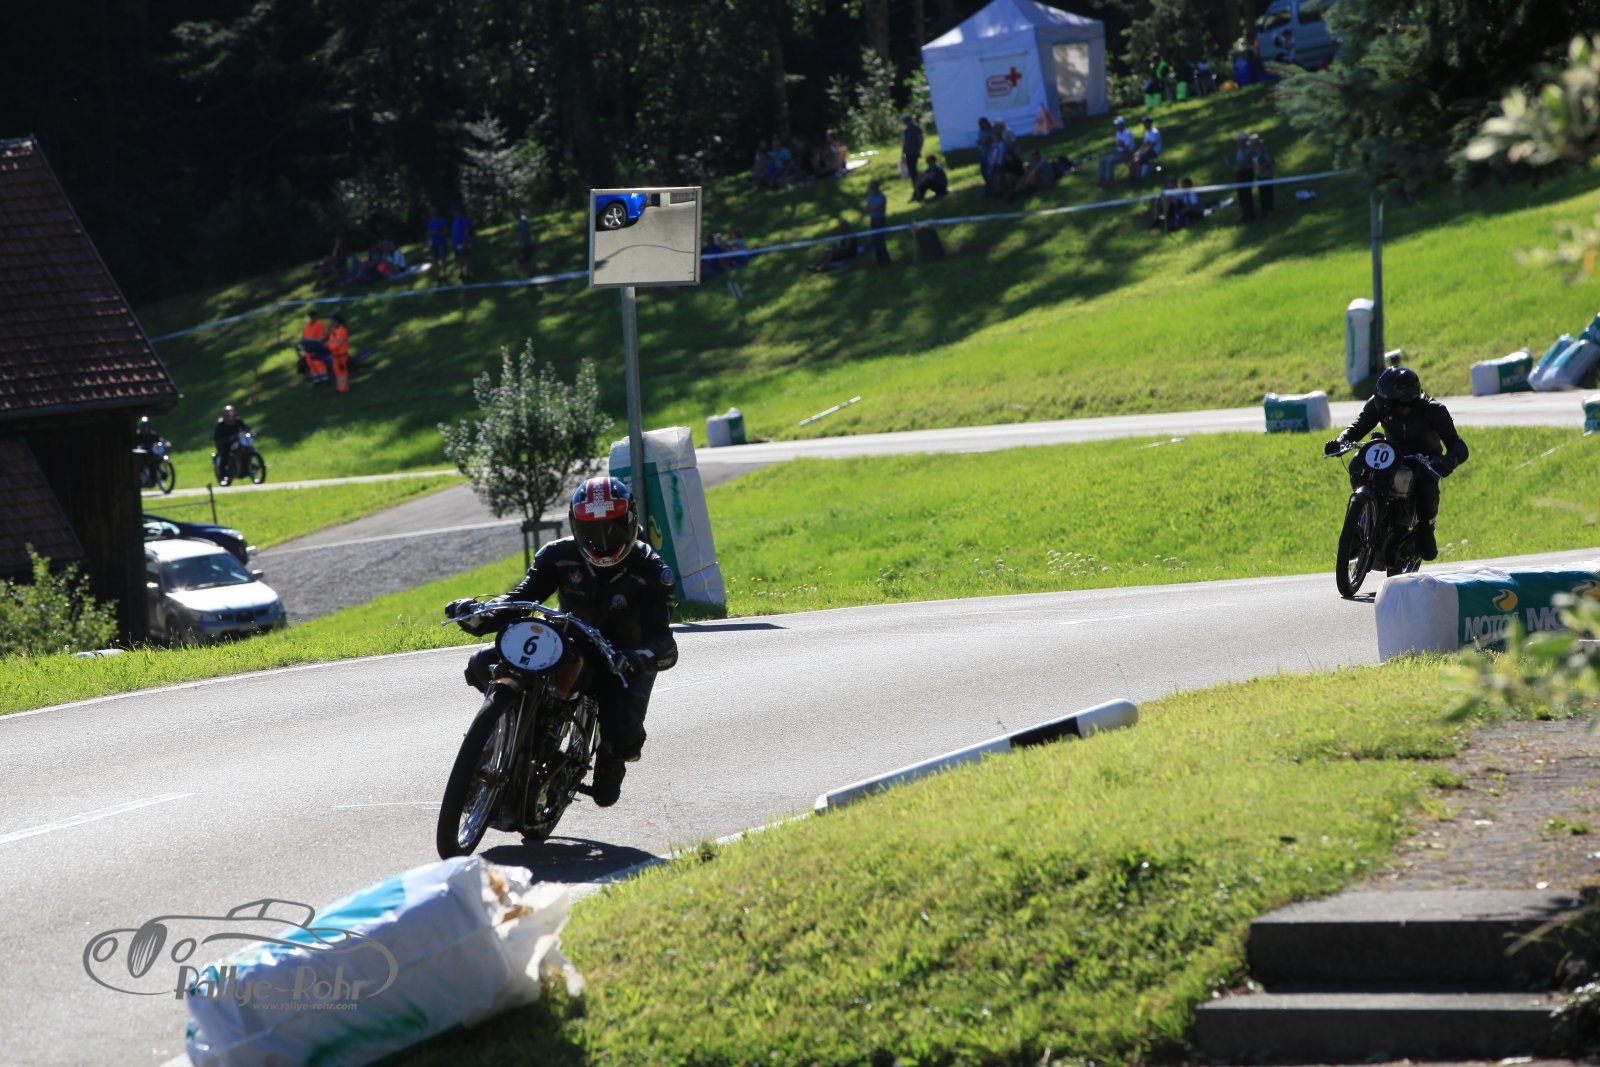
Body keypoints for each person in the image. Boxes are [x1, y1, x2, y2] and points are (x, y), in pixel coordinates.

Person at [449, 476, 677, 807]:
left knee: (621, 743)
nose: (601, 540)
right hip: (567, 640)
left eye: (611, 529)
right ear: (574, 524)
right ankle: (497, 736)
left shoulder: (653, 571)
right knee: (481, 664)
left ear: (630, 523)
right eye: (590, 530)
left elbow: (665, 642)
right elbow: (520, 598)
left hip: (620, 658)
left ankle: (610, 760)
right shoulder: (557, 555)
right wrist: (480, 614)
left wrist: (638, 657)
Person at [1324, 366, 1469, 561]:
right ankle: (1362, 519)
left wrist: (1446, 462)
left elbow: (1459, 446)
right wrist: (1340, 441)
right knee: (1358, 462)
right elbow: (1357, 427)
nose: (1386, 410)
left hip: (1423, 458)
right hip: (1392, 453)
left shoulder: (1434, 410)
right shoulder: (1380, 404)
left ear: (1407, 402)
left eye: (1392, 406)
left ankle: (1425, 529)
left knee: (1425, 478)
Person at [212, 404, 252, 476]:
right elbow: (217, 436)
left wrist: (251, 432)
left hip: (236, 441)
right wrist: (224, 440)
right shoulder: (220, 424)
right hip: (225, 443)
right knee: (224, 455)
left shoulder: (238, 421)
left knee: (246, 449)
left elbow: (245, 428)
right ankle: (223, 474)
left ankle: (247, 467)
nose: (230, 418)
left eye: (232, 416)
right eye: (228, 416)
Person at [1097, 117, 1135, 186]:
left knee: (1110, 161)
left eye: (1118, 125)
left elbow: (1127, 149)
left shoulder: (1127, 134)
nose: (1116, 126)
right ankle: (1102, 179)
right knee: (1102, 160)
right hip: (1118, 153)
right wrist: (1120, 146)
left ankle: (1110, 180)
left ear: (1122, 125)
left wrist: (1121, 145)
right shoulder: (1118, 133)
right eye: (1116, 125)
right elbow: (1117, 145)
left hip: (1126, 154)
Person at [1249, 133, 1277, 218]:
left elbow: (1270, 161)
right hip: (1260, 175)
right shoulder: (1253, 152)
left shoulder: (1264, 151)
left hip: (1267, 175)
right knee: (1262, 194)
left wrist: (1262, 166)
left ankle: (1270, 211)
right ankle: (1265, 211)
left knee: (1268, 193)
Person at [300, 308, 331, 384]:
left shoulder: (319, 324)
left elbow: (321, 338)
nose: (311, 318)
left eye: (312, 316)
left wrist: (310, 340)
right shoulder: (307, 324)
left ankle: (325, 379)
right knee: (311, 364)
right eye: (310, 317)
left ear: (316, 316)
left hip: (316, 348)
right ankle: (317, 380)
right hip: (308, 349)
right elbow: (304, 336)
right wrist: (304, 342)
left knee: (319, 364)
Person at [1232, 132, 1257, 223]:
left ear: (1243, 140)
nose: (1237, 142)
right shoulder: (1240, 149)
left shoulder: (1249, 149)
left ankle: (1249, 215)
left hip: (1246, 173)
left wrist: (1241, 167)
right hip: (1240, 174)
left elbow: (1251, 163)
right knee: (1241, 194)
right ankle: (1244, 215)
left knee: (1246, 194)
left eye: (1238, 140)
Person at [865, 180, 890, 265]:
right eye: (870, 188)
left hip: (880, 220)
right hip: (873, 220)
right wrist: (872, 208)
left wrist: (871, 209)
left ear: (876, 187)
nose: (871, 189)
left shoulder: (882, 196)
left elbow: (877, 208)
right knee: (875, 241)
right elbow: (867, 208)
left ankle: (886, 260)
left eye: (872, 187)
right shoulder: (870, 196)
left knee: (880, 241)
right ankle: (879, 261)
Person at [1131, 116, 1163, 181]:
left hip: (1154, 151)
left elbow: (1151, 146)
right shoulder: (1147, 133)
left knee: (1137, 160)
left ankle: (1139, 178)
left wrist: (1141, 153)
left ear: (1149, 123)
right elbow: (1144, 145)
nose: (1144, 125)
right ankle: (1133, 176)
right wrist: (1138, 152)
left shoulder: (1154, 132)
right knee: (1133, 158)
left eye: (1145, 123)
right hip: (1148, 151)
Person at [328, 313, 351, 393]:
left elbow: (338, 343)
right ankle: (340, 387)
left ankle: (344, 388)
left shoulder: (342, 330)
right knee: (337, 372)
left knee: (342, 372)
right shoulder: (334, 329)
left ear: (337, 321)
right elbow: (331, 341)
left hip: (341, 355)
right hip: (335, 355)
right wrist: (329, 346)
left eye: (333, 320)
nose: (332, 322)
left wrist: (329, 347)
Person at [900, 114, 924, 186]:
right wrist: (903, 153)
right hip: (907, 152)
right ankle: (915, 185)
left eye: (906, 120)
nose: (905, 122)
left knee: (913, 169)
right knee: (910, 170)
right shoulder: (905, 130)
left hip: (914, 152)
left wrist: (919, 150)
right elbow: (905, 142)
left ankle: (919, 183)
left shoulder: (916, 128)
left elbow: (921, 139)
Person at [450, 205, 472, 282]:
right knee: (459, 258)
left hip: (463, 242)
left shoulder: (463, 219)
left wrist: (465, 240)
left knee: (465, 257)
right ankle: (461, 273)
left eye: (454, 212)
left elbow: (466, 230)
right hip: (456, 243)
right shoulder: (455, 220)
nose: (453, 213)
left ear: (457, 211)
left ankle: (467, 273)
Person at [426, 206, 448, 271]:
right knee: (434, 259)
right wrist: (428, 241)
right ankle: (438, 274)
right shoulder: (429, 221)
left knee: (443, 258)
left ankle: (444, 273)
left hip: (441, 242)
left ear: (436, 211)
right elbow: (428, 232)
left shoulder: (441, 220)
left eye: (433, 211)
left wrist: (436, 233)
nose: (431, 213)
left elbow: (445, 231)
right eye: (430, 211)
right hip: (433, 243)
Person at [514, 208, 534, 277]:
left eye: (515, 212)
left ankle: (529, 276)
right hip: (524, 244)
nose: (514, 214)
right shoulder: (520, 220)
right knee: (525, 261)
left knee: (524, 261)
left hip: (526, 244)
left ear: (519, 211)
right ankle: (529, 276)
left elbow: (525, 232)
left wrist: (525, 244)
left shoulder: (522, 220)